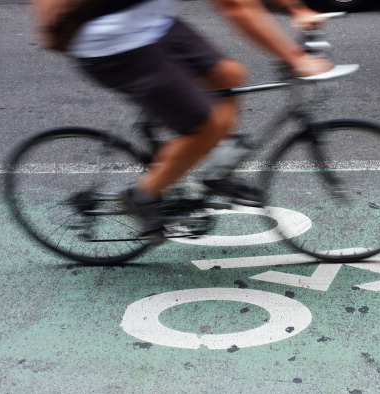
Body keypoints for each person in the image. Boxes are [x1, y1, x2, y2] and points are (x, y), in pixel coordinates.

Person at [39, 0, 332, 239]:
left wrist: (293, 7)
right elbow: (234, 5)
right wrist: (294, 58)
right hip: (114, 42)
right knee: (207, 127)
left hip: (151, 23)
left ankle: (214, 172)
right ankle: (143, 194)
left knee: (229, 75)